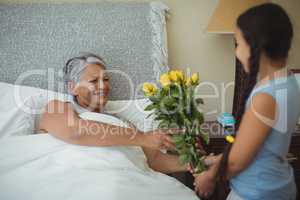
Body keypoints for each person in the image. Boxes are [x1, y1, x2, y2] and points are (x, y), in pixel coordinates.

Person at [192, 3, 300, 200]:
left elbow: (237, 162)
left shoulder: (265, 98)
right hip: (277, 185)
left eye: (238, 44)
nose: (236, 51)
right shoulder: (290, 81)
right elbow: (257, 147)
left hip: (258, 192)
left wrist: (209, 177)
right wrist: (215, 159)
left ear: (255, 46)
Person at [38, 53, 187, 174]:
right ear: (73, 88)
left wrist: (199, 163)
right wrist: (144, 137)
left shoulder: (120, 122)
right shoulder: (57, 108)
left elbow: (154, 161)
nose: (103, 86)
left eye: (106, 79)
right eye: (94, 80)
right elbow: (74, 131)